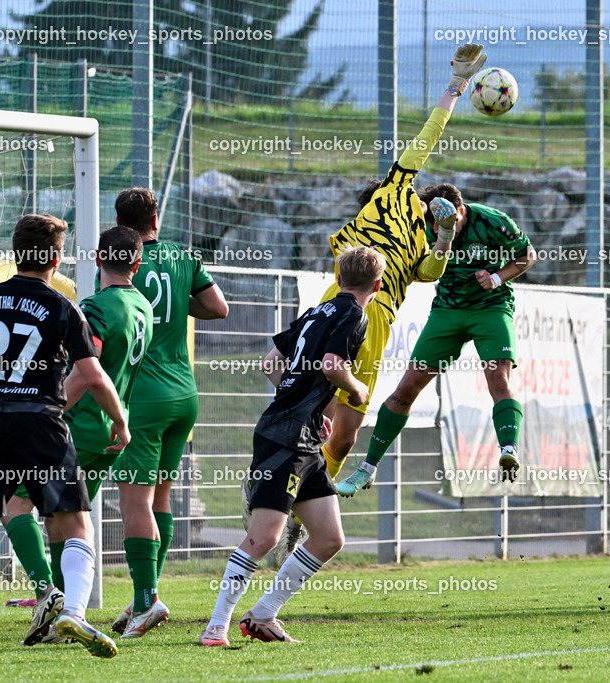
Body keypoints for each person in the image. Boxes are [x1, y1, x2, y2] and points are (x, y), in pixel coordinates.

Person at [272, 43, 487, 557]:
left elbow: (431, 273)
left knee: (344, 433)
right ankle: (274, 490)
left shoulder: (431, 236)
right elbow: (428, 135)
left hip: (379, 316)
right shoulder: (397, 188)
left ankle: (303, 499)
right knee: (303, 396)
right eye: (451, 214)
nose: (451, 218)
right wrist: (456, 85)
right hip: (340, 299)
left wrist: (444, 238)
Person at [0, 214, 127, 661]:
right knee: (76, 522)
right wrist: (120, 420)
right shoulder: (62, 307)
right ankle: (73, 612)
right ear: (55, 259)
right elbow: (91, 373)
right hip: (41, 423)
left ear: (16, 253)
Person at [199, 245, 385, 647]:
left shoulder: (318, 311)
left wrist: (305, 403)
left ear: (338, 278)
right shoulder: (355, 315)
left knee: (329, 538)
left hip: (300, 435)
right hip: (285, 437)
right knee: (265, 537)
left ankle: (263, 614)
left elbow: (270, 362)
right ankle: (216, 625)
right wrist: (357, 389)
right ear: (379, 283)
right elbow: (334, 366)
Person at [0, 226, 153, 644]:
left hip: (76, 429)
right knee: (60, 521)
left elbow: (88, 373)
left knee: (14, 508)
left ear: (97, 258)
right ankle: (63, 617)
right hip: (110, 433)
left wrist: (49, 411)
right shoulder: (142, 306)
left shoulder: (96, 308)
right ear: (137, 264)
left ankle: (49, 595)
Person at [338, 184, 537, 495]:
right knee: (406, 388)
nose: (439, 229)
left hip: (491, 307)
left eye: (447, 223)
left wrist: (497, 278)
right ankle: (367, 468)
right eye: (433, 222)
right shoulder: (423, 227)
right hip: (447, 311)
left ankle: (508, 450)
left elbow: (528, 255)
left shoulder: (492, 221)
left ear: (460, 211)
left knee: (498, 378)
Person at [109, 187, 229, 639]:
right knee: (160, 497)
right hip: (184, 394)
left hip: (143, 397)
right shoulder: (183, 257)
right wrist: (181, 305)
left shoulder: (122, 264)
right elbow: (219, 307)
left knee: (134, 501)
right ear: (156, 219)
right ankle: (148, 591)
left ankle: (147, 601)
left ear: (121, 224)